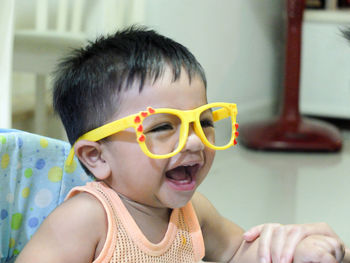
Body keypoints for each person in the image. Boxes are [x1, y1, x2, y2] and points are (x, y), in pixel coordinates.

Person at [16, 26, 348, 263]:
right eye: (163, 126)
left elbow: (236, 252)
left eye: (203, 122)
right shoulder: (87, 219)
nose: (193, 140)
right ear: (97, 157)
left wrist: (298, 251)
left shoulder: (193, 211)